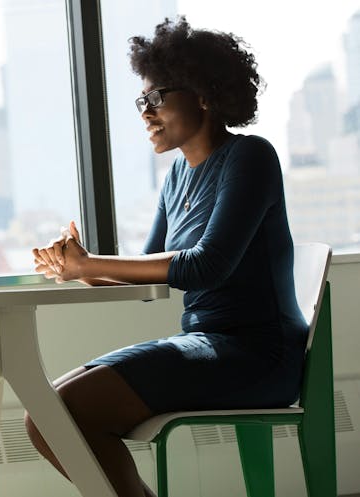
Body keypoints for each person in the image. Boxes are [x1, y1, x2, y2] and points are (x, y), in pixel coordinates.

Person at [26, 17, 308, 497]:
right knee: (44, 416)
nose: (145, 113)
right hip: (207, 344)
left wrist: (89, 264)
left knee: (64, 414)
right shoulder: (176, 176)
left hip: (259, 354)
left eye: (156, 98)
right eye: (143, 101)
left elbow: (206, 265)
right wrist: (73, 269)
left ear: (201, 93)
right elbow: (147, 282)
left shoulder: (250, 157)